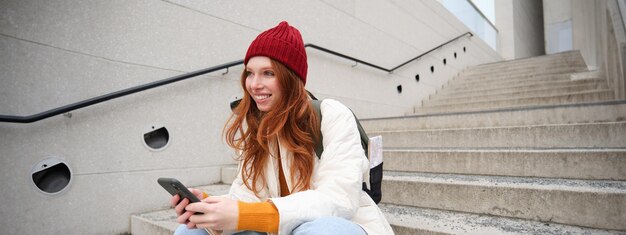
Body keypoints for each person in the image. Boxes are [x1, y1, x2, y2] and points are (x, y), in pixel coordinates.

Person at [171, 21, 394, 235]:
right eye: (250, 72)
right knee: (191, 230)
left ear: (291, 78)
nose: (254, 84)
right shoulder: (257, 130)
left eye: (268, 73)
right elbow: (247, 198)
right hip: (277, 229)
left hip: (346, 225)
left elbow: (338, 199)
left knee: (320, 231)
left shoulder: (331, 115)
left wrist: (245, 214)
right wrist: (211, 210)